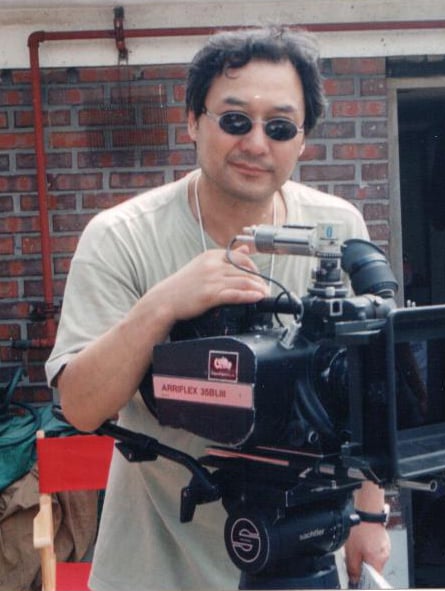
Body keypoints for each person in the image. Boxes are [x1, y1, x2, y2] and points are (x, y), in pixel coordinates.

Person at [45, 26, 390, 590]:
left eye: (279, 127)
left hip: (298, 556)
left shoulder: (336, 230)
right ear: (192, 122)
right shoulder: (121, 236)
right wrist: (163, 304)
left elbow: (364, 382)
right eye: (234, 120)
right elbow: (81, 408)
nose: (256, 143)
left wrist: (370, 514)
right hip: (156, 566)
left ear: (302, 140)